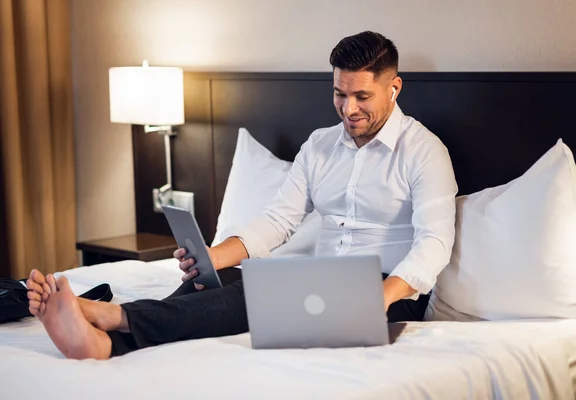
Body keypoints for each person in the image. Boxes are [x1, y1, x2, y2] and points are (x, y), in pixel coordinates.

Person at [26, 31, 458, 360]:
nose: (348, 109)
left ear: (395, 88)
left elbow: (433, 245)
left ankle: (115, 317)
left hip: (389, 298)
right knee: (231, 278)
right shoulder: (320, 146)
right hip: (323, 280)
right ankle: (107, 344)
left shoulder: (424, 151)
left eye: (362, 96)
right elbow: (277, 221)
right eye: (339, 94)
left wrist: (381, 294)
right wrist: (214, 257)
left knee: (259, 293)